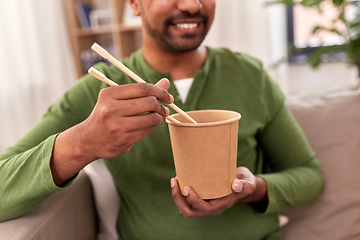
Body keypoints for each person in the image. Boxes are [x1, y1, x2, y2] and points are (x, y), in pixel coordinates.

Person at [0, 0, 324, 239]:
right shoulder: (98, 94)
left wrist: (254, 188)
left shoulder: (250, 75)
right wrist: (83, 142)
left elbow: (311, 177)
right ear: (134, 4)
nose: (192, 5)